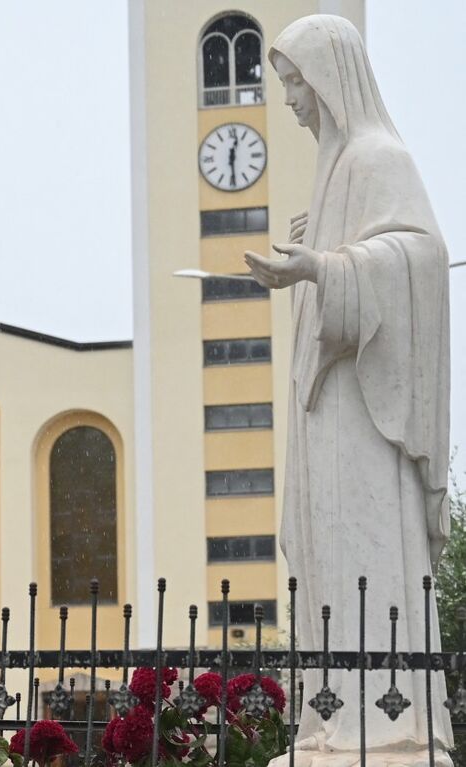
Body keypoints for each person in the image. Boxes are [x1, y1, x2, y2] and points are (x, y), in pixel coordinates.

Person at [244, 15, 453, 764]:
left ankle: (388, 727)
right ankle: (335, 722)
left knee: (371, 564)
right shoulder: (333, 170)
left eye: (297, 82)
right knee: (333, 566)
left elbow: (421, 258)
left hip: (367, 419)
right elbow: (363, 253)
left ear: (330, 80)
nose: (292, 101)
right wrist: (323, 258)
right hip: (330, 415)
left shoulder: (376, 155)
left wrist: (321, 269)